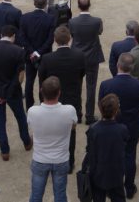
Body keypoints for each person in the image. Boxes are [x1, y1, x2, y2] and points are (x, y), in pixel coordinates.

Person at [38, 25, 86, 171]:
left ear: (55, 40)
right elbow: (81, 74)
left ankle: (53, 162)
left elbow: (42, 80)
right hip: (72, 99)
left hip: (51, 100)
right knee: (70, 133)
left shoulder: (47, 59)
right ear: (70, 39)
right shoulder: (79, 55)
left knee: (51, 132)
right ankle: (69, 163)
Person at [0, 25, 31, 161]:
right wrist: (8, 93)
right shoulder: (18, 51)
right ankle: (26, 141)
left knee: (0, 120)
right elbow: (20, 76)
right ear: (13, 36)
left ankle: (4, 150)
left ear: (0, 34)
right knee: (20, 116)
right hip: (13, 92)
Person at [99, 53, 139, 199]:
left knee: (110, 156)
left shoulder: (106, 84)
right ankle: (129, 188)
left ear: (118, 65)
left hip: (111, 126)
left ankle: (110, 187)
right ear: (132, 68)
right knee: (130, 156)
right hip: (131, 125)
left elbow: (101, 105)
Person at [27, 76, 77, 202]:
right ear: (59, 93)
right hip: (61, 160)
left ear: (41, 91)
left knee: (36, 195)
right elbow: (73, 126)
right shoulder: (70, 110)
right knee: (60, 195)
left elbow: (31, 126)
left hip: (40, 160)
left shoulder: (33, 111)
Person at [85, 93, 129, 202]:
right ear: (116, 111)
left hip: (98, 174)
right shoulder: (122, 129)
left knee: (98, 198)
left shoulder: (93, 129)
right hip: (116, 173)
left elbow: (90, 149)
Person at [69, 0, 105, 124]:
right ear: (89, 5)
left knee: (76, 87)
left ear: (78, 6)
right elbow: (100, 32)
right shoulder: (97, 21)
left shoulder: (72, 21)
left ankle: (77, 115)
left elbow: (71, 34)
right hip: (92, 58)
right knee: (91, 87)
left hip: (76, 58)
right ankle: (89, 116)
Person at [19, 0, 57, 109]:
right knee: (44, 83)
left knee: (29, 82)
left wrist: (32, 52)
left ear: (34, 3)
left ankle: (29, 107)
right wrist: (38, 52)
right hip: (44, 56)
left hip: (29, 56)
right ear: (46, 4)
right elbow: (50, 40)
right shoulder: (50, 19)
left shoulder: (24, 17)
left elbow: (22, 38)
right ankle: (43, 105)